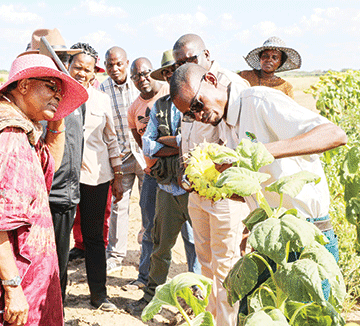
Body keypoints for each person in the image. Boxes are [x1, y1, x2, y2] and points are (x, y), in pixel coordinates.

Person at [170, 63, 346, 262]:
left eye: (197, 105)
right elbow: (256, 190)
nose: (199, 116)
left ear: (211, 80)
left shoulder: (258, 101)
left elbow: (334, 134)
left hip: (307, 232)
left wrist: (256, 153)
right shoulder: (225, 126)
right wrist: (216, 188)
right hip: (271, 235)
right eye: (190, 114)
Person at [0, 53, 88, 326]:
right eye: (51, 87)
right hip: (20, 280)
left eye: (60, 93)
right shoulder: (10, 137)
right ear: (24, 85)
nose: (58, 97)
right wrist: (13, 287)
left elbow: (47, 167)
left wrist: (57, 120)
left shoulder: (24, 130)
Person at [171, 34, 251, 326]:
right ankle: (211, 320)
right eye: (179, 63)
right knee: (205, 266)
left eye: (190, 60)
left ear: (205, 54)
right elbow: (188, 139)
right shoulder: (186, 89)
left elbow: (240, 144)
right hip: (198, 192)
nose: (184, 66)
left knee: (226, 268)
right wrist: (185, 170)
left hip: (225, 195)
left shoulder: (229, 85)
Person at [124, 53, 200, 296]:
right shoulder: (160, 105)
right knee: (160, 247)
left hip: (196, 189)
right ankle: (151, 295)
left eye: (174, 70)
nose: (171, 76)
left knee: (197, 246)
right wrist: (181, 144)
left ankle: (196, 296)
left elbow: (200, 143)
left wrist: (170, 143)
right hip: (167, 188)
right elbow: (148, 145)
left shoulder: (199, 102)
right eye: (167, 72)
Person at [20, 28, 85, 304]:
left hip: (67, 195)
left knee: (58, 265)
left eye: (63, 57)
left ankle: (56, 311)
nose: (60, 63)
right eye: (54, 56)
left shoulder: (67, 93)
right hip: (39, 199)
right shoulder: (30, 98)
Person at [68, 42, 123, 311]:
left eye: (87, 69)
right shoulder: (58, 95)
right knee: (58, 237)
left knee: (93, 238)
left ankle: (98, 295)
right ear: (68, 67)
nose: (81, 72)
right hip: (62, 179)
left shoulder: (101, 100)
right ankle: (56, 294)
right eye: (77, 67)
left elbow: (111, 139)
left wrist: (119, 174)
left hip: (96, 177)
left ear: (94, 72)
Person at [99, 47, 144, 273]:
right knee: (119, 206)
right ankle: (115, 256)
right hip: (121, 156)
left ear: (126, 63)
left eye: (118, 64)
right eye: (109, 64)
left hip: (144, 155)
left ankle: (146, 253)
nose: (114, 69)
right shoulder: (103, 88)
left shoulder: (139, 83)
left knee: (148, 207)